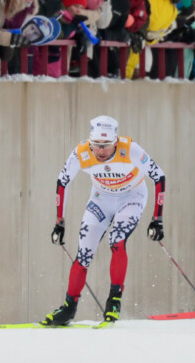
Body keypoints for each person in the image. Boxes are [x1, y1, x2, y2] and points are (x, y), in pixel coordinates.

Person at [42, 115, 167, 326]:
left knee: (116, 241)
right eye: (96, 145)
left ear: (116, 142)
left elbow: (159, 176)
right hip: (101, 199)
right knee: (84, 253)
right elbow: (62, 181)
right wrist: (59, 221)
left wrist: (157, 219)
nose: (100, 151)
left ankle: (114, 301)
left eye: (106, 146)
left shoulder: (130, 149)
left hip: (132, 197)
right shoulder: (81, 152)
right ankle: (68, 308)